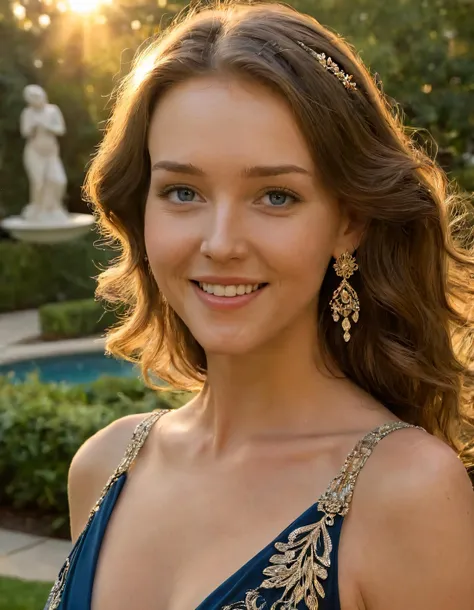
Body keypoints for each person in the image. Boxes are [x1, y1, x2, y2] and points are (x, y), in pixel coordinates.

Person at [44, 2, 474, 609]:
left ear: (349, 221)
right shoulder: (103, 465)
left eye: (275, 195)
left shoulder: (409, 495)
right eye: (182, 192)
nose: (219, 243)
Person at [20, 84, 68, 223]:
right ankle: (38, 209)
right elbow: (25, 132)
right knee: (38, 182)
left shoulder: (52, 110)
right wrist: (33, 126)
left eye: (38, 96)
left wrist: (47, 126)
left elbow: (61, 129)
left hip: (51, 153)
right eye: (32, 97)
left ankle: (54, 208)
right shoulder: (27, 113)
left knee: (58, 180)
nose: (36, 99)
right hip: (34, 152)